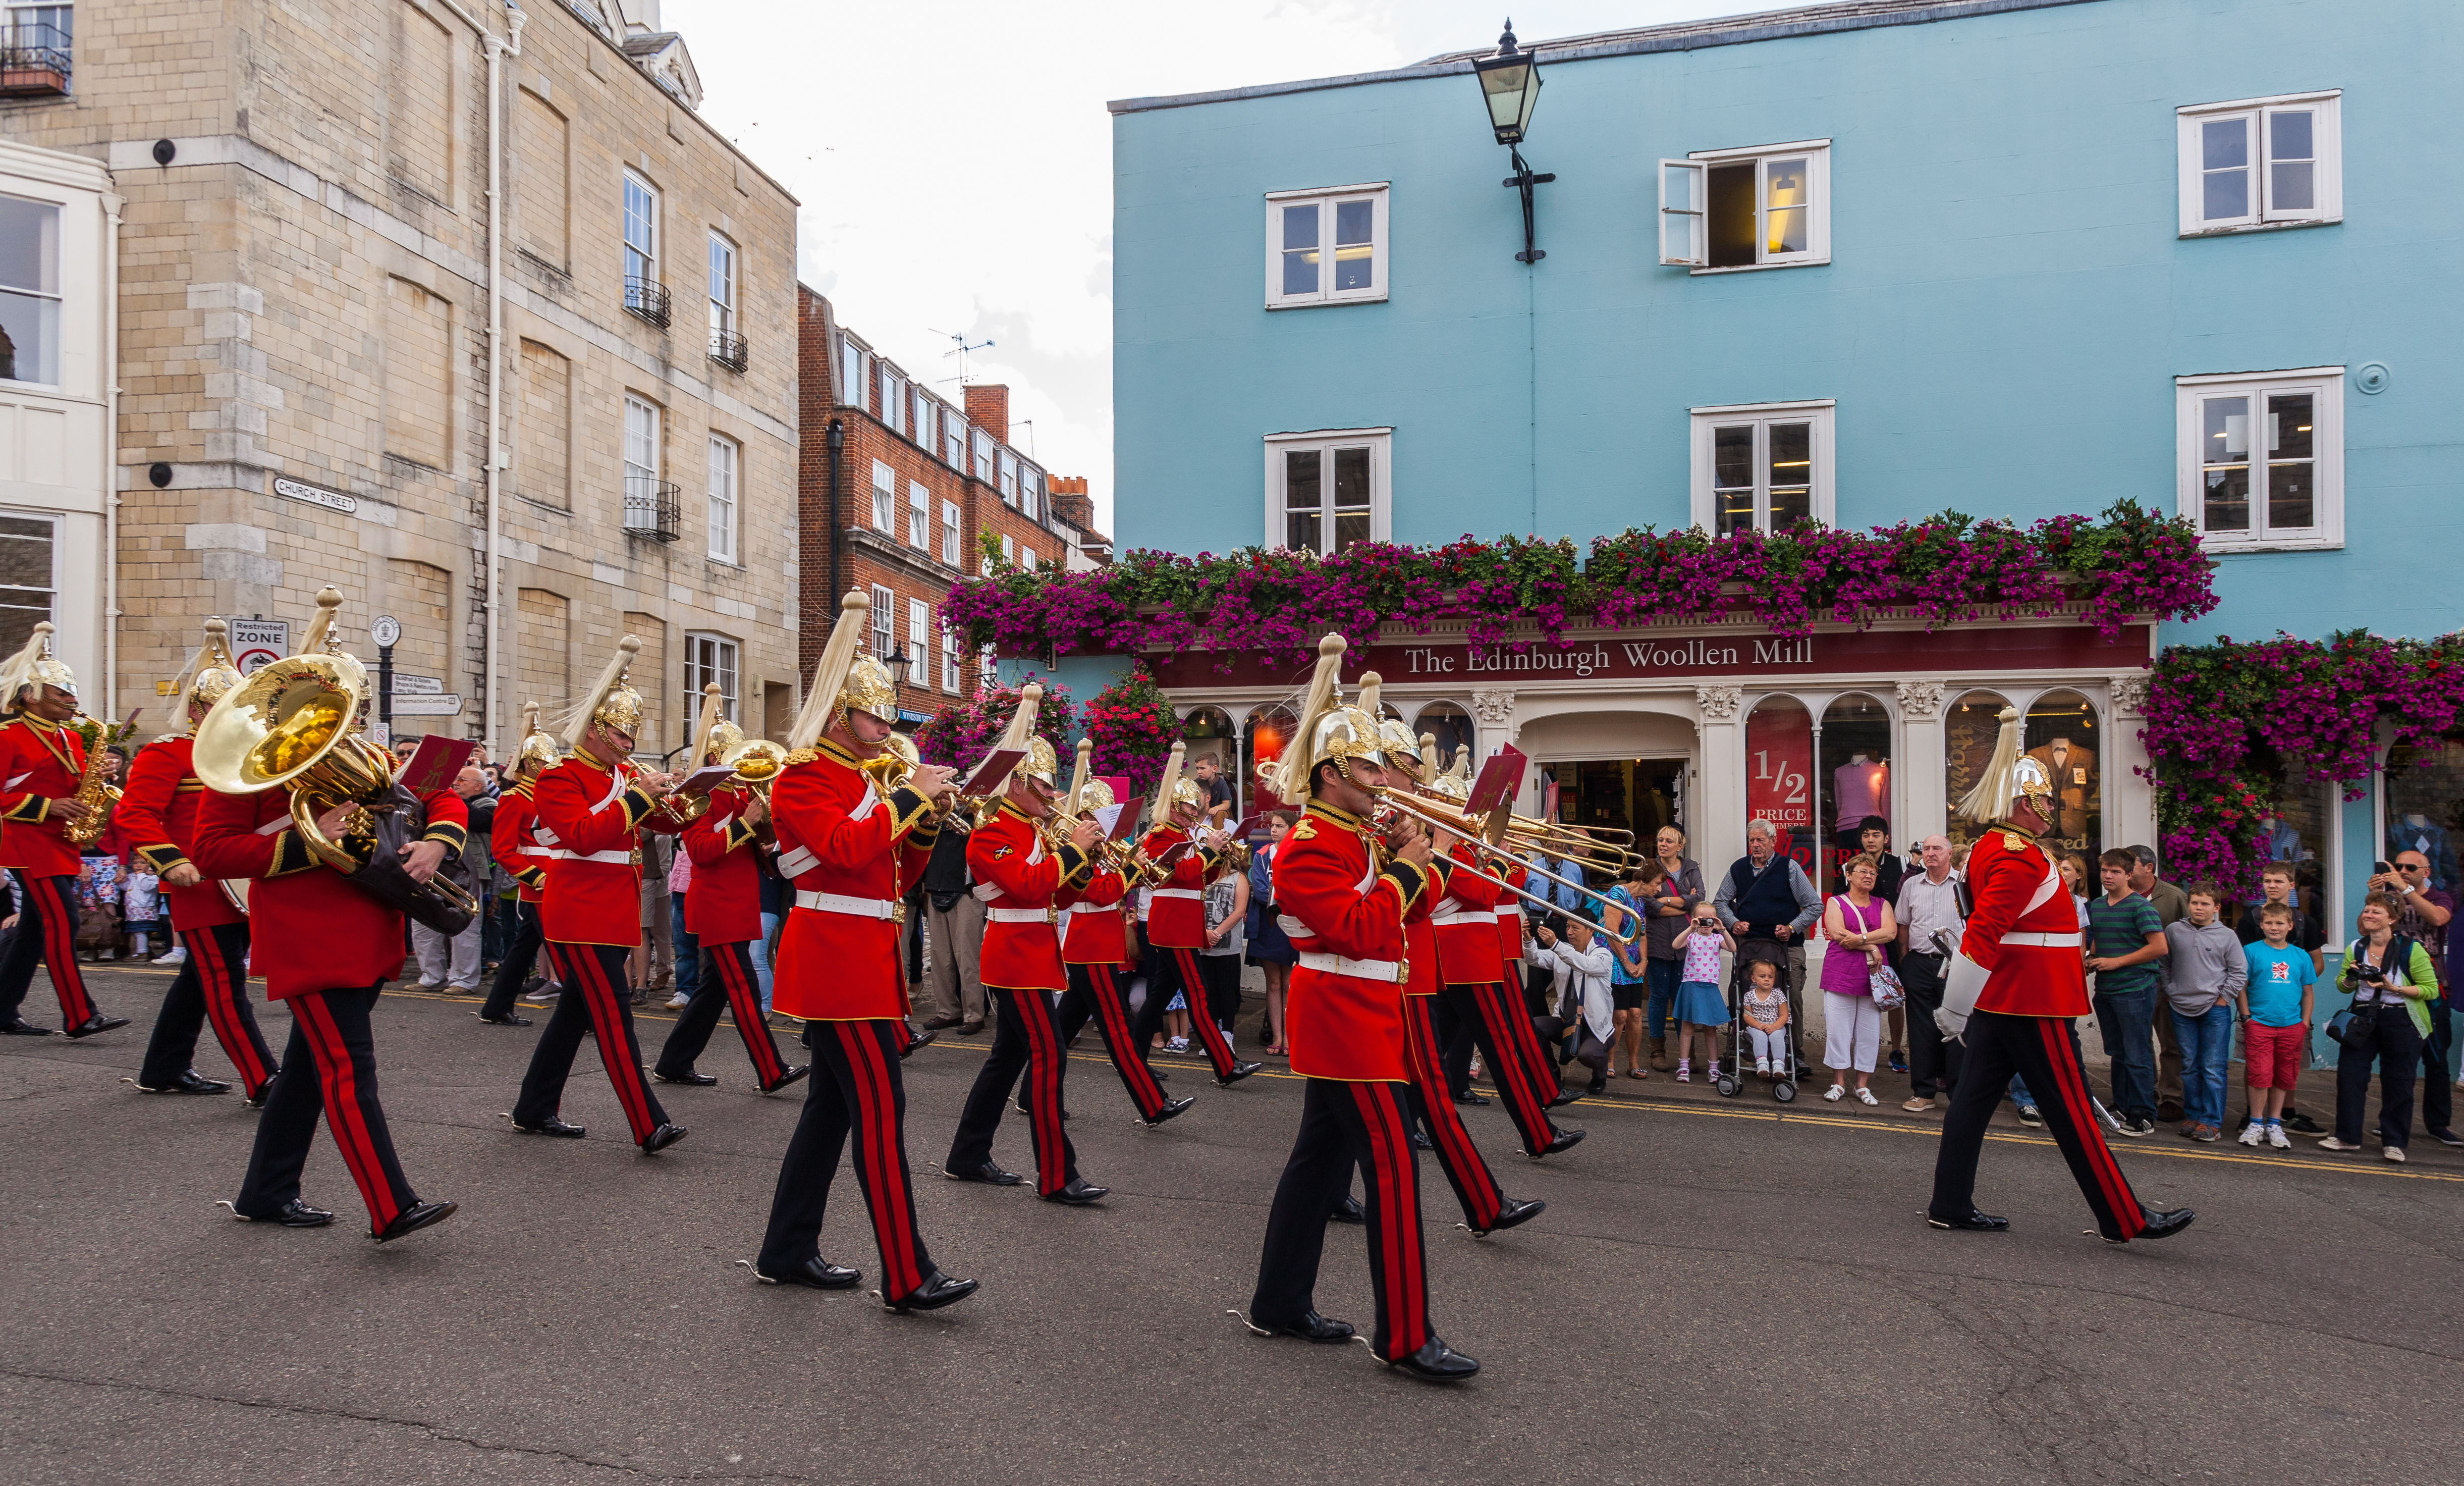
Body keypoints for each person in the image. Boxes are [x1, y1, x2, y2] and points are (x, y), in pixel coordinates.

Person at [1240, 634, 1477, 1382]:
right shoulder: (1308, 844)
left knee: (1316, 1165)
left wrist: (1420, 855)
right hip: (1343, 1017)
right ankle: (1404, 1335)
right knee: (1393, 1172)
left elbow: (1413, 911)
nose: (1385, 779)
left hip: (1362, 1011)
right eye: (1372, 767)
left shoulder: (1356, 835)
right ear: (1333, 772)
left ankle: (1278, 1301)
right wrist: (1407, 864)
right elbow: (1365, 926)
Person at [194, 589, 460, 1242]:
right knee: (348, 1071)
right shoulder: (251, 771)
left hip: (368, 927)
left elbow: (435, 793)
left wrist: (437, 840)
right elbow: (209, 850)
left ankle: (266, 1192)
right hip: (308, 939)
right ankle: (389, 1204)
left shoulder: (366, 755)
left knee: (311, 1072)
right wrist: (309, 840)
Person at [751, 591, 975, 1311]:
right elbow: (845, 852)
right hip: (833, 962)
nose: (886, 729)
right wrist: (907, 798)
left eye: (887, 717)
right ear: (841, 714)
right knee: (880, 1112)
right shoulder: (804, 776)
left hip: (866, 957)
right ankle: (907, 1273)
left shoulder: (864, 781)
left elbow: (893, 881)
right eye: (876, 716)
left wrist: (923, 823)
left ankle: (786, 1249)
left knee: (830, 1112)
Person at [1929, 706, 2191, 1245]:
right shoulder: (2017, 857)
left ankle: (1949, 1202)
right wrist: (1953, 1009)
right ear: (2026, 803)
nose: (2052, 807)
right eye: (2046, 799)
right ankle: (2124, 1216)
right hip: (2032, 1000)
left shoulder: (1992, 848)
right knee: (2071, 1111)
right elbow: (1982, 932)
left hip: (2007, 1000)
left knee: (1972, 1104)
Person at [505, 636, 702, 1155]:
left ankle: (534, 1105)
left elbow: (665, 819)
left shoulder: (624, 775)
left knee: (573, 1016)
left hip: (613, 911)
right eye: (620, 731)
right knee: (613, 1019)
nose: (628, 741)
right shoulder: (559, 777)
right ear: (595, 729)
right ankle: (647, 1123)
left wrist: (688, 796)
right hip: (580, 913)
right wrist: (637, 795)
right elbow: (583, 836)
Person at [944, 686, 1111, 1205]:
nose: (1050, 795)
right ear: (1016, 783)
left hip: (1033, 952)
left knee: (1007, 1057)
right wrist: (1071, 852)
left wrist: (1089, 857)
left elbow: (1057, 890)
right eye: (1042, 785)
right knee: (1048, 1056)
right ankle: (1056, 1173)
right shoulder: (991, 831)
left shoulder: (1035, 831)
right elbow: (1027, 885)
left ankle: (967, 1153)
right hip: (1013, 955)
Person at [120, 619, 276, 1101]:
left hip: (243, 877)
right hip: (197, 881)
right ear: (203, 707)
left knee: (199, 979)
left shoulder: (256, 751)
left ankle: (164, 1068)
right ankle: (263, 1078)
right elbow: (135, 813)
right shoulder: (167, 753)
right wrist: (170, 862)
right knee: (224, 982)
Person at [1428, 765, 1579, 1156]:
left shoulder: (1464, 846)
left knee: (1432, 1052)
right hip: (1464, 958)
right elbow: (1481, 893)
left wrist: (1497, 854)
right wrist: (1498, 858)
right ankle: (1538, 1133)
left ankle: (1412, 1118)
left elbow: (1501, 888)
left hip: (1474, 955)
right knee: (1500, 1050)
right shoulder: (1447, 850)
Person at [655, 707, 805, 1095]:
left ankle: (674, 1061)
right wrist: (746, 823)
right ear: (712, 759)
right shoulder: (697, 796)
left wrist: (767, 827)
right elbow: (702, 851)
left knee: (713, 992)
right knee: (743, 989)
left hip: (741, 902)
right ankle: (770, 1069)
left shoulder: (739, 794)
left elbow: (754, 846)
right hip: (717, 906)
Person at [0, 622, 126, 1039]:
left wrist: (100, 771)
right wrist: (47, 806)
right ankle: (79, 1015)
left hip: (58, 841)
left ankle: (3, 1008)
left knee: (36, 928)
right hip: (24, 842)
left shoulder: (71, 737)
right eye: (62, 694)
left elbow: (74, 786)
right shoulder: (8, 737)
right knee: (62, 922)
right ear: (30, 697)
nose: (73, 700)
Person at [1054, 768, 1192, 1128]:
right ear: (1085, 817)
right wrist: (1131, 870)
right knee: (1118, 1029)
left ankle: (1029, 1095)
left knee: (1062, 1029)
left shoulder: (1098, 848)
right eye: (1100, 817)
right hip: (1091, 947)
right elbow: (1101, 894)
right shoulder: (1077, 848)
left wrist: (1134, 865)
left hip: (1098, 945)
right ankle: (1152, 1103)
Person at [1129, 759, 1262, 1087]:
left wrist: (1223, 855)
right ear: (1173, 806)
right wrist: (1207, 851)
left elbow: (1202, 878)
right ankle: (1225, 1065)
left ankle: (1133, 1060)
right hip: (1174, 925)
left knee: (1159, 996)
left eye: (1195, 805)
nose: (1194, 812)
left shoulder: (1186, 833)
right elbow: (1180, 874)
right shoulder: (1162, 836)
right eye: (1188, 806)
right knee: (1198, 997)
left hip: (1182, 922)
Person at [2319, 892, 2437, 1163]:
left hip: (2402, 1019)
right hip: (2363, 1018)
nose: (2369, 915)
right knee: (2350, 1076)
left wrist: (2394, 988)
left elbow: (2430, 990)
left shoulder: (2411, 949)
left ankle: (2394, 1141)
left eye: (2377, 912)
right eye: (2367, 910)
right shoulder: (2356, 948)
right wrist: (2351, 976)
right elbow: (2342, 986)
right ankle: (2347, 1137)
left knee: (2399, 1081)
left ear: (2393, 919)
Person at [2369, 850, 2458, 1146]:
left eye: (2410, 867)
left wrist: (2405, 890)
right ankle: (2392, 1124)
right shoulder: (2389, 897)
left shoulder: (2439, 896)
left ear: (2426, 872)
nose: (2403, 871)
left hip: (2432, 991)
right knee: (2395, 1063)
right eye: (2398, 866)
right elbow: (2364, 928)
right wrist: (2373, 898)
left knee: (2436, 1061)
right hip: (2390, 990)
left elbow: (2438, 917)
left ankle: (2438, 1123)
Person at [1712, 819, 1818, 1064]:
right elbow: (1720, 902)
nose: (1756, 845)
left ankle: (1795, 1055)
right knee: (1739, 994)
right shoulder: (1738, 869)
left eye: (1761, 840)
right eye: (1752, 840)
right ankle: (1741, 1047)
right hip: (1750, 945)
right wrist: (1733, 923)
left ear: (1773, 841)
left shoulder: (1789, 868)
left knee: (1791, 999)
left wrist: (1792, 927)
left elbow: (1815, 905)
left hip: (1786, 946)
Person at [2230, 861, 2325, 1135]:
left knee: (2288, 1063)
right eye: (2267, 881)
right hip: (2258, 1005)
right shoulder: (2250, 919)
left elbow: (2316, 962)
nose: (2272, 886)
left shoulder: (2307, 921)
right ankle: (2253, 1115)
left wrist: (2294, 977)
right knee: (2257, 1062)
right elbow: (2243, 963)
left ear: (2291, 884)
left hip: (2291, 1006)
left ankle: (2287, 1115)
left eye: (2279, 881)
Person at [476, 707, 557, 1027]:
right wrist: (535, 877)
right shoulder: (513, 798)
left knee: (523, 950)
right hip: (538, 884)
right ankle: (586, 1012)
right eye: (543, 763)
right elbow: (504, 850)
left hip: (556, 875)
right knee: (562, 949)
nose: (549, 767)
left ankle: (496, 1006)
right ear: (528, 764)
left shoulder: (548, 795)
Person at [2085, 848, 2167, 1137]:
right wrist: (2089, 960)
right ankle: (2122, 1106)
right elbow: (2097, 943)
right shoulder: (2095, 906)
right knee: (2117, 1053)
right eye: (2104, 870)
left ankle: (2143, 1115)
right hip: (2106, 989)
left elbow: (2159, 948)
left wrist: (2115, 962)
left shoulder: (2140, 907)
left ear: (2129, 875)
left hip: (2136, 989)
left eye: (2115, 872)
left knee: (2137, 1053)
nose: (2108, 876)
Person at [2162, 883, 2245, 1143]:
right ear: (2189, 904)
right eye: (2195, 903)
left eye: (2205, 904)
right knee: (2189, 1066)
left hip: (2214, 1010)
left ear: (2217, 908)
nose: (2199, 908)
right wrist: (2170, 990)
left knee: (2213, 1067)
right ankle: (2195, 1116)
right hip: (2180, 1007)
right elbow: (2164, 963)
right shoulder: (2174, 931)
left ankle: (2212, 1121)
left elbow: (2239, 971)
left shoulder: (2227, 936)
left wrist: (2223, 999)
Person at [1819, 852, 1896, 1105]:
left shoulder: (1882, 904)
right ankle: (1838, 1083)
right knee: (1838, 1032)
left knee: (1869, 1033)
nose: (1869, 876)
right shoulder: (1835, 902)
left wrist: (1862, 940)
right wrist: (1872, 947)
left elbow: (1890, 932)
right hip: (1841, 973)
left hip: (1872, 977)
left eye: (1873, 873)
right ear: (1849, 875)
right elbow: (1837, 932)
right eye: (1863, 871)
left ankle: (1862, 1086)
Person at [1896, 834, 1965, 1113]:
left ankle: (1959, 1095)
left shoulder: (1965, 884)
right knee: (1921, 1030)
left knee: (1957, 1030)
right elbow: (1903, 925)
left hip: (1958, 965)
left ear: (1950, 853)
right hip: (1920, 964)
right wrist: (1906, 961)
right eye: (1926, 849)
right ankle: (1923, 1093)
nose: (1931, 854)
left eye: (1937, 849)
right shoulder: (1912, 885)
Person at [2237, 904, 2315, 1149]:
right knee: (2260, 1075)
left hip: (2291, 1026)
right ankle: (2255, 1123)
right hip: (2259, 1023)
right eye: (2269, 923)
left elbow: (2308, 992)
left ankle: (2274, 1124)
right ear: (2261, 925)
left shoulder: (2301, 956)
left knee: (2285, 1075)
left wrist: (2304, 1022)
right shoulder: (2250, 952)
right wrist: (2246, 1017)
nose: (2274, 927)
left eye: (2280, 923)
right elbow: (2241, 986)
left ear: (2290, 926)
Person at [411, 765, 491, 994]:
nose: (456, 783)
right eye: (454, 779)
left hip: (469, 871)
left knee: (466, 927)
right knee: (422, 924)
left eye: (462, 780)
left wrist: (445, 796)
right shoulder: (441, 799)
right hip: (434, 866)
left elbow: (477, 819)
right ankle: (431, 975)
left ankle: (463, 980)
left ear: (478, 786)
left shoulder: (487, 803)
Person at [2125, 844, 2189, 1123]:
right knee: (2138, 1042)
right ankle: (2144, 1092)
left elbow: (2189, 941)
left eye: (2131, 865)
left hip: (2164, 983)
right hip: (2130, 981)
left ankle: (2173, 1097)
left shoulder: (2174, 898)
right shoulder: (2119, 895)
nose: (2125, 872)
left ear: (2149, 868)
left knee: (2171, 1044)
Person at [916, 801, 985, 1034]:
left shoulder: (973, 816)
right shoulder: (930, 819)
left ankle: (974, 1014)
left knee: (968, 958)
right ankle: (948, 1011)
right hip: (937, 889)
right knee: (940, 959)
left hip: (966, 892)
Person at [1850, 818, 1909, 1070]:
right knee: (1861, 995)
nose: (1870, 840)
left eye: (1876, 835)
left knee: (1895, 998)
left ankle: (1896, 1050)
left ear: (1886, 838)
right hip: (1862, 942)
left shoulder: (1903, 864)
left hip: (1894, 942)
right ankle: (1862, 1050)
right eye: (1866, 835)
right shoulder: (1851, 867)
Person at [1538, 910, 1617, 1095]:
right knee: (1533, 1027)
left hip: (1593, 1026)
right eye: (1567, 927)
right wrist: (1527, 941)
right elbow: (1535, 958)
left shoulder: (1603, 955)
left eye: (1576, 928)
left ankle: (1600, 1074)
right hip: (1567, 1021)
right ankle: (1553, 1072)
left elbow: (1585, 964)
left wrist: (1556, 945)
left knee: (1589, 1055)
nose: (1570, 932)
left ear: (1591, 931)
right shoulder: (1563, 950)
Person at [1642, 827, 1703, 1070]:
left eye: (1669, 841)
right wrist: (1683, 905)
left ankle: (1688, 1053)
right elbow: (1648, 904)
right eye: (1660, 840)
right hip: (1658, 941)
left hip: (1686, 942)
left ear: (1680, 846)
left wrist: (1664, 900)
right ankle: (1657, 1051)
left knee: (1682, 997)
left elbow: (1700, 899)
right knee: (1658, 997)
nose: (1663, 844)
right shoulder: (1650, 868)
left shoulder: (1691, 868)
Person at [1605, 860, 1662, 1078]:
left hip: (1634, 963)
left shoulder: (1639, 902)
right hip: (1615, 962)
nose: (1659, 889)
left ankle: (1633, 1064)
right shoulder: (1618, 893)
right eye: (1657, 884)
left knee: (1636, 1014)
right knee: (1619, 1015)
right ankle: (1609, 1062)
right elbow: (1611, 931)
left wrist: (1644, 962)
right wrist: (1627, 963)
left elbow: (1643, 935)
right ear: (1644, 878)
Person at [1246, 811, 1297, 1053]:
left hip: (1290, 923)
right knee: (1274, 983)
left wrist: (1280, 894)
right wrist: (1281, 894)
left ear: (1291, 828)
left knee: (1289, 982)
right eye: (1272, 826)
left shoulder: (1298, 853)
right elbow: (1258, 888)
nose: (1274, 830)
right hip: (1268, 923)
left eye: (1280, 826)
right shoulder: (1262, 855)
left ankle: (1290, 1037)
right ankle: (1277, 1037)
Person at [1669, 906, 1732, 1084]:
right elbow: (1675, 945)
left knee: (1710, 1029)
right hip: (1691, 985)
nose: (1706, 923)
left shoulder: (1718, 938)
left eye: (1710, 919)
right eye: (1701, 919)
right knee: (1687, 1027)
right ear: (1694, 919)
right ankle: (1684, 1066)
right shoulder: (1691, 937)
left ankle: (1714, 1067)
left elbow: (1733, 948)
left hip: (1710, 987)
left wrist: (1723, 929)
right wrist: (1691, 928)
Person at [1740, 960, 1790, 1077]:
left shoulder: (1778, 995)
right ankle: (1762, 1064)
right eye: (1762, 977)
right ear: (1754, 979)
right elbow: (1747, 1015)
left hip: (1776, 1024)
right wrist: (1757, 1025)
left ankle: (1779, 1065)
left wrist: (1774, 1027)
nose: (1767, 979)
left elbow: (1784, 1015)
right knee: (1760, 1036)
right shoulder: (1749, 996)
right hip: (1756, 1026)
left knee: (1777, 1036)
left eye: (1771, 977)